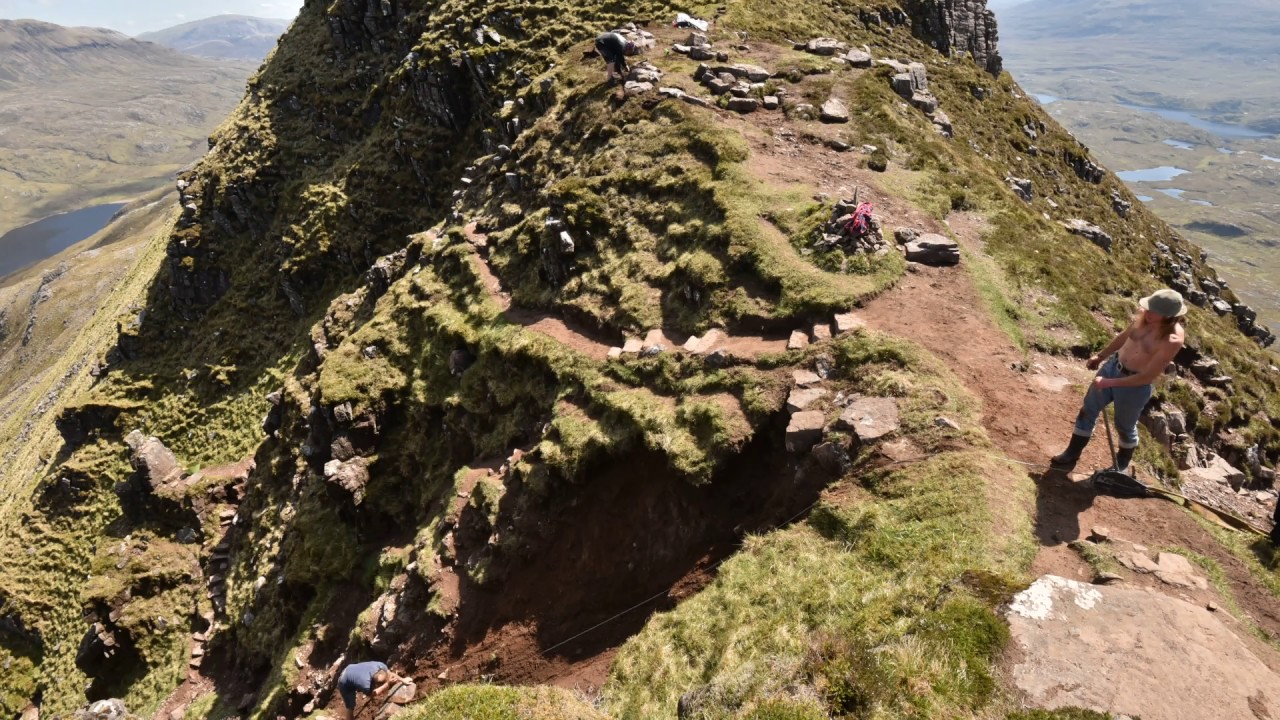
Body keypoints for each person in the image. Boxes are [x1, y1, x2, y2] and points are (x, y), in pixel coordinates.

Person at [1050, 288, 1187, 475]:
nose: (1146, 312)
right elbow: (1124, 337)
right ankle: (1072, 453)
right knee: (1087, 410)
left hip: (1135, 385)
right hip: (1113, 367)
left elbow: (1148, 376)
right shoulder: (1143, 318)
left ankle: (1122, 463)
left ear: (1167, 316)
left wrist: (1109, 383)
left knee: (1124, 425)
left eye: (1153, 311)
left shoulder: (1172, 340)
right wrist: (1101, 356)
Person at [336, 660, 405, 719]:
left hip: (352, 668)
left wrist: (403, 680)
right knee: (350, 706)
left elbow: (390, 673)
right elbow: (372, 694)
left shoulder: (381, 665)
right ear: (375, 684)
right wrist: (387, 684)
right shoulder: (366, 684)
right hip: (344, 680)